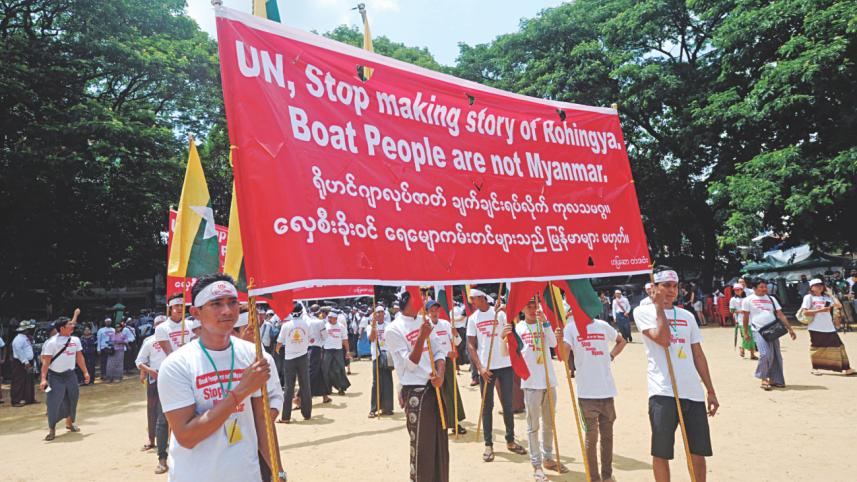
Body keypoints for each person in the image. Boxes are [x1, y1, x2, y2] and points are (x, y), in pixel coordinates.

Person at [157, 273, 285, 482]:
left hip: (246, 475)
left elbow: (262, 421)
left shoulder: (253, 354)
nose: (227, 310)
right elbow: (187, 436)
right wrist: (240, 391)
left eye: (232, 302)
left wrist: (278, 472)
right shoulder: (177, 365)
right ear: (196, 312)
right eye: (216, 303)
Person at [632, 267, 719, 482]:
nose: (671, 290)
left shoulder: (687, 316)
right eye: (666, 286)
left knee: (697, 451)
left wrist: (710, 390)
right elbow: (663, 340)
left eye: (675, 286)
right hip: (663, 392)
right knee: (661, 452)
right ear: (654, 288)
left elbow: (698, 355)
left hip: (692, 392)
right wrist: (659, 307)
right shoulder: (643, 312)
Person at [385, 289, 449, 482]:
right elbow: (410, 364)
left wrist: (441, 375)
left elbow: (439, 352)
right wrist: (421, 337)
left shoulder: (424, 321)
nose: (423, 299)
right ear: (409, 301)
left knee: (439, 442)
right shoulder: (393, 329)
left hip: (434, 387)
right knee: (421, 446)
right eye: (418, 296)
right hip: (416, 393)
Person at [562, 303, 627, 482]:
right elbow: (563, 356)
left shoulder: (602, 325)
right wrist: (561, 341)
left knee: (607, 437)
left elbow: (622, 341)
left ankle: (607, 476)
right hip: (586, 394)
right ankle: (594, 478)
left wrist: (611, 356)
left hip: (607, 391)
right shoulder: (571, 328)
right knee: (591, 438)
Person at [467, 287, 527, 462]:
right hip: (486, 369)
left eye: (473, 299)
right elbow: (471, 345)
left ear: (481, 298)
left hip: (505, 365)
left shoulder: (499, 313)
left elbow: (513, 327)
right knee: (487, 406)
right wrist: (480, 368)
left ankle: (510, 440)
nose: (472, 303)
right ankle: (488, 444)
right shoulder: (473, 318)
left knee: (508, 405)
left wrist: (507, 311)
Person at [509, 297, 566, 481]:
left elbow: (553, 344)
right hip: (531, 384)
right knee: (533, 426)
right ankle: (536, 464)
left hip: (549, 382)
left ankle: (548, 457)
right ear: (522, 309)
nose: (533, 309)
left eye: (535, 306)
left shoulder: (543, 325)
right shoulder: (518, 328)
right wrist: (504, 337)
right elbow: (509, 352)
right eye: (529, 306)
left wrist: (547, 324)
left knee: (549, 423)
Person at [39, 310, 90, 441]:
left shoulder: (75, 340)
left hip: (71, 375)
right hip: (55, 377)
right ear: (62, 328)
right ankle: (52, 429)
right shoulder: (51, 343)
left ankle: (70, 423)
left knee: (73, 398)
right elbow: (45, 362)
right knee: (54, 401)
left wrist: (85, 372)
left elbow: (79, 357)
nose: (73, 326)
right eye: (69, 325)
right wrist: (43, 379)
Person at [742, 278, 797, 390]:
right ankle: (763, 378)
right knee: (765, 354)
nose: (764, 289)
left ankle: (775, 379)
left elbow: (780, 314)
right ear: (754, 288)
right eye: (761, 287)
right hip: (758, 330)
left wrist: (790, 328)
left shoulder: (771, 298)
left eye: (765, 287)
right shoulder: (748, 300)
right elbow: (746, 317)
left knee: (776, 355)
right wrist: (746, 333)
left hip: (773, 329)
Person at [136, 315, 169, 474]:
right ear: (154, 326)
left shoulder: (175, 338)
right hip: (155, 378)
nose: (161, 327)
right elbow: (140, 361)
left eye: (164, 324)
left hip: (173, 378)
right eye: (158, 324)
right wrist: (147, 372)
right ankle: (151, 439)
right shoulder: (149, 341)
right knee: (153, 410)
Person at [426, 300, 465, 433]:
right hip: (434, 362)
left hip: (447, 362)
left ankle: (455, 421)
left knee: (452, 389)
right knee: (440, 392)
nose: (434, 313)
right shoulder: (426, 326)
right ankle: (444, 422)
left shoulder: (445, 324)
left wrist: (455, 334)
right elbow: (429, 346)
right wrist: (445, 352)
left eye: (436, 310)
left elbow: (457, 342)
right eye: (432, 310)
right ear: (427, 312)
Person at [802, 279, 855, 375]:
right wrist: (820, 311)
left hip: (829, 327)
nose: (819, 287)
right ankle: (815, 368)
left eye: (821, 285)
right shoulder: (808, 297)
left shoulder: (826, 297)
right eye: (816, 285)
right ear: (811, 287)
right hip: (815, 327)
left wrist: (831, 295)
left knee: (839, 346)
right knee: (817, 348)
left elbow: (839, 305)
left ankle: (847, 368)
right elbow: (805, 312)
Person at [276, 304, 312, 423]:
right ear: (301, 312)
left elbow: (279, 342)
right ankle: (307, 414)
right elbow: (311, 339)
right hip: (303, 357)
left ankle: (286, 417)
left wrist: (277, 350)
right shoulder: (306, 324)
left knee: (289, 388)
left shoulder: (286, 325)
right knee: (305, 385)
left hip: (289, 358)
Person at [367, 305, 394, 418]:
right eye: (377, 312)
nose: (380, 314)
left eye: (382, 312)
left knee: (387, 381)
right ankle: (373, 408)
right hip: (376, 355)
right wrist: (374, 326)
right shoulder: (370, 326)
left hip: (387, 355)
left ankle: (387, 408)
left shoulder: (389, 325)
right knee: (376, 382)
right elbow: (371, 339)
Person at [322, 309, 351, 396]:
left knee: (339, 369)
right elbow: (321, 338)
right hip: (327, 350)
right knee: (326, 369)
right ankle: (327, 388)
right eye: (329, 317)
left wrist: (348, 351)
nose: (329, 319)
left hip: (338, 350)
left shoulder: (341, 327)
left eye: (331, 318)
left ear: (336, 318)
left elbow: (345, 340)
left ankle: (341, 388)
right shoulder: (325, 326)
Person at [11, 319, 37, 406]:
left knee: (29, 380)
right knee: (18, 380)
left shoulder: (25, 338)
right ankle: (16, 400)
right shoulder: (18, 339)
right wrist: (25, 362)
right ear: (25, 330)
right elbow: (19, 352)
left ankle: (29, 398)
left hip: (28, 361)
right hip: (21, 362)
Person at [307, 305, 330, 403]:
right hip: (316, 349)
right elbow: (325, 336)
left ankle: (325, 396)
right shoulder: (320, 322)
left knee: (319, 371)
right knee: (312, 372)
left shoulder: (307, 321)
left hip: (308, 348)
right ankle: (299, 396)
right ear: (319, 312)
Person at [729, 283, 756, 360]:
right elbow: (731, 310)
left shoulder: (747, 298)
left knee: (751, 336)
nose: (736, 291)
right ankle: (751, 353)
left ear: (742, 290)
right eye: (735, 290)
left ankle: (745, 350)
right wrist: (740, 311)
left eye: (738, 290)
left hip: (751, 319)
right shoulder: (733, 299)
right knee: (747, 335)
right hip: (741, 320)